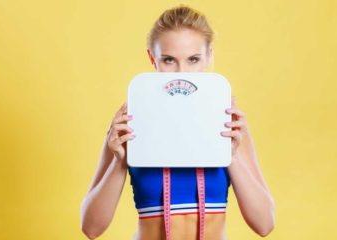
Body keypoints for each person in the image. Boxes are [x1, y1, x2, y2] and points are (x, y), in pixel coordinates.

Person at [80, 4, 275, 240]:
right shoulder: (130, 122)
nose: (182, 71)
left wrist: (229, 155)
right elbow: (91, 228)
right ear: (152, 58)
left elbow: (264, 224)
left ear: (209, 56)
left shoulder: (228, 125)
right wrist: (120, 162)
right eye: (169, 60)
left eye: (193, 59)